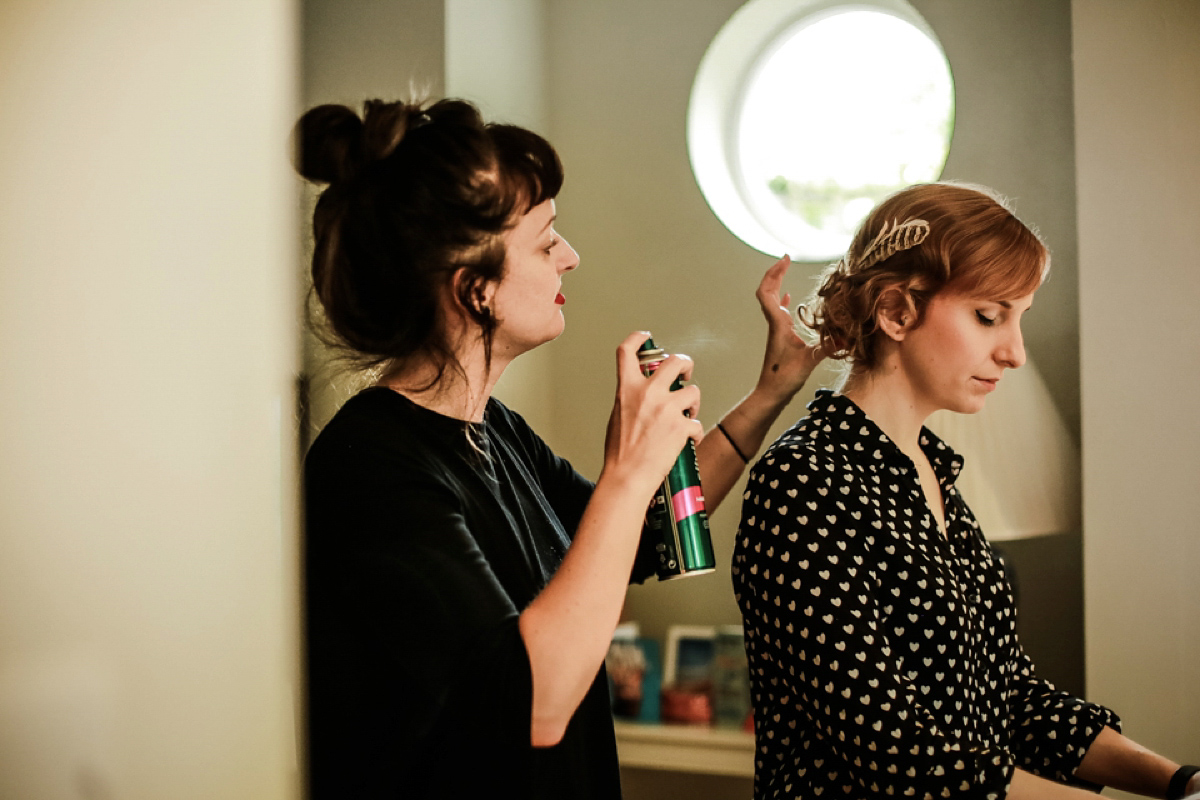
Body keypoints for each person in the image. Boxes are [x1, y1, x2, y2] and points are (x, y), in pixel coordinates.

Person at [295, 97, 821, 799]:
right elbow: (531, 703)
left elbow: (629, 544)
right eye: (547, 242)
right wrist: (630, 473)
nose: (571, 257)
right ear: (474, 289)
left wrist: (769, 394)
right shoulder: (369, 468)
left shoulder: (495, 430)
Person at [733, 182, 1198, 799]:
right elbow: (896, 755)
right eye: (989, 316)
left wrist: (1177, 781)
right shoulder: (805, 483)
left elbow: (1011, 697)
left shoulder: (933, 475)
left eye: (1019, 318)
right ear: (897, 312)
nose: (1015, 353)